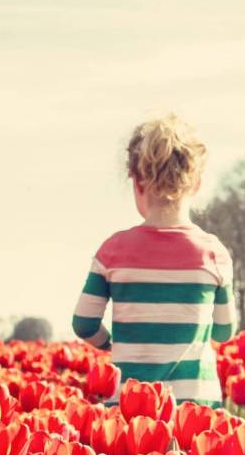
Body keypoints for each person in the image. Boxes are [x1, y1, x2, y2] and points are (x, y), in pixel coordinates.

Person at [71, 113, 236, 405]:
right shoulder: (213, 254)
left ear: (137, 183)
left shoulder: (113, 251)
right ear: (196, 183)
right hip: (195, 402)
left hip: (129, 403)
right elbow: (224, 331)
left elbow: (83, 323)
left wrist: (112, 344)